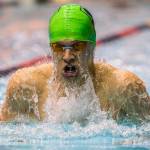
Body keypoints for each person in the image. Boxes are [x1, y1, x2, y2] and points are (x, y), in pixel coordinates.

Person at [0, 4, 150, 123]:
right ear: (51, 48)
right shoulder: (26, 86)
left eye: (77, 46)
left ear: (92, 46)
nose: (67, 56)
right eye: (58, 47)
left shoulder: (123, 88)